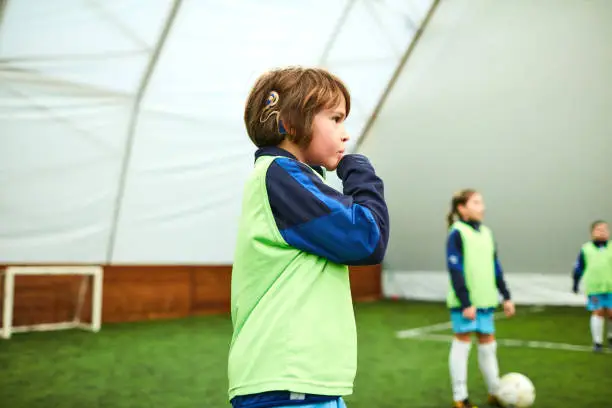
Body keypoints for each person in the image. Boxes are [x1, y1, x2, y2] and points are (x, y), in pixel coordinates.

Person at [227, 66, 390, 408]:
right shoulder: (280, 174)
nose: (345, 134)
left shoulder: (286, 179)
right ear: (290, 122)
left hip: (298, 379)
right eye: (335, 119)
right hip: (287, 378)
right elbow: (366, 236)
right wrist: (359, 172)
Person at [445, 189, 515, 408]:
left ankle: (495, 391)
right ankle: (460, 397)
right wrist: (466, 301)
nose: (482, 207)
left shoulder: (487, 233)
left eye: (481, 202)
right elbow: (455, 268)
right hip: (466, 304)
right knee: (462, 344)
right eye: (476, 203)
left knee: (488, 346)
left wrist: (506, 295)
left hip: (486, 301)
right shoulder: (456, 232)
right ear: (461, 208)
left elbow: (496, 266)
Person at [572, 220, 612, 352]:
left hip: (611, 286)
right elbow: (579, 267)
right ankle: (598, 342)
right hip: (594, 287)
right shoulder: (586, 249)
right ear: (592, 233)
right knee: (598, 311)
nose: (602, 232)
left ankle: (611, 336)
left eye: (605, 230)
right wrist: (575, 283)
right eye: (598, 230)